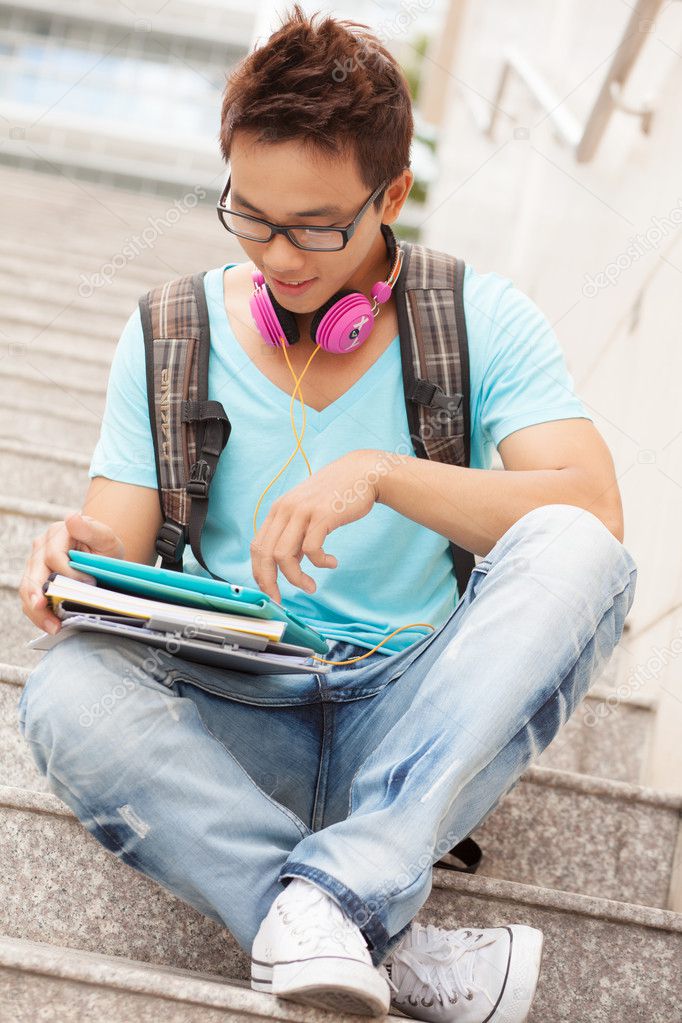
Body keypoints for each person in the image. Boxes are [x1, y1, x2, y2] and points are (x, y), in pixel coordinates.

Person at [17, 5, 637, 1021]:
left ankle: (329, 899)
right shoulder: (172, 333)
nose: (281, 258)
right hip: (233, 708)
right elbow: (113, 549)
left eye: (316, 226)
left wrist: (382, 473)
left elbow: (592, 505)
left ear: (392, 194)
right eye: (252, 217)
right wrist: (70, 563)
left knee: (574, 550)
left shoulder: (480, 319)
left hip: (414, 709)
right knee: (67, 694)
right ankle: (364, 927)